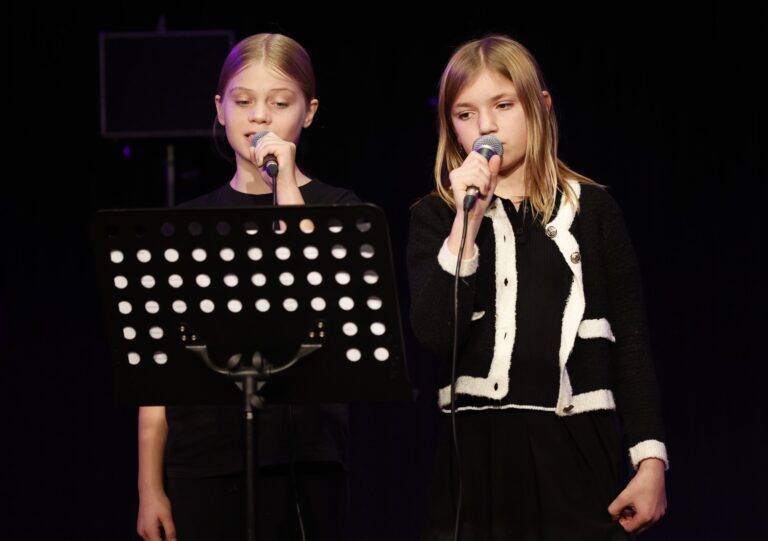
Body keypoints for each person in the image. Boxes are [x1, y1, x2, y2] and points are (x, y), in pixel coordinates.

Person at [406, 35, 668, 540]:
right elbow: (436, 333)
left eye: (503, 105)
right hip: (477, 455)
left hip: (574, 446)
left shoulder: (594, 211)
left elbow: (631, 345)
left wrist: (650, 459)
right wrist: (468, 224)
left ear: (540, 107)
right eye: (466, 114)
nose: (486, 126)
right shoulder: (437, 215)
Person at [136, 33, 357, 541]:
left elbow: (316, 298)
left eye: (279, 104)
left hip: (304, 460)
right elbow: (158, 376)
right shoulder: (187, 224)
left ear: (309, 112)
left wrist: (284, 187)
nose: (259, 117)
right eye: (243, 101)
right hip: (204, 462)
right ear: (220, 109)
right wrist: (151, 487)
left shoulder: (339, 208)